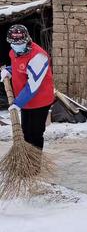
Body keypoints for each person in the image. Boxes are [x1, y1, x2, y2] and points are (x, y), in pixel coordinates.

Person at [0, 24, 54, 152]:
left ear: (27, 40)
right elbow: (21, 68)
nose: (15, 46)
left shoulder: (39, 56)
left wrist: (17, 103)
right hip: (25, 101)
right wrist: (9, 70)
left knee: (35, 134)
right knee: (25, 133)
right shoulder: (14, 52)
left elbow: (33, 84)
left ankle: (35, 166)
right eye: (13, 43)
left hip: (40, 100)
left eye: (19, 43)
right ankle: (26, 161)